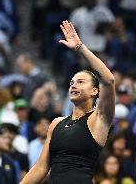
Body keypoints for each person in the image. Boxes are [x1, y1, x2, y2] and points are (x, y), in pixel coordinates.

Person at [20, 20, 115, 184]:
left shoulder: (98, 119)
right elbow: (41, 167)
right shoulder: (56, 123)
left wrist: (80, 48)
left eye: (80, 82)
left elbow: (109, 80)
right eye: (71, 83)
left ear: (95, 91)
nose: (73, 85)